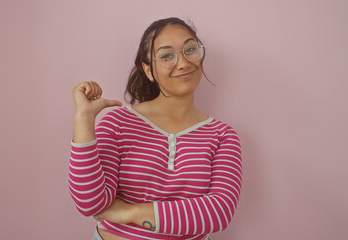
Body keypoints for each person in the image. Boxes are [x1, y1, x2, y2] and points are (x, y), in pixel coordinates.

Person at [69, 17, 242, 240]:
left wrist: (129, 211)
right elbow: (91, 203)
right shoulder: (118, 122)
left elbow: (219, 212)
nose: (183, 62)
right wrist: (84, 118)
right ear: (148, 70)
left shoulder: (222, 135)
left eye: (190, 49)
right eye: (167, 55)